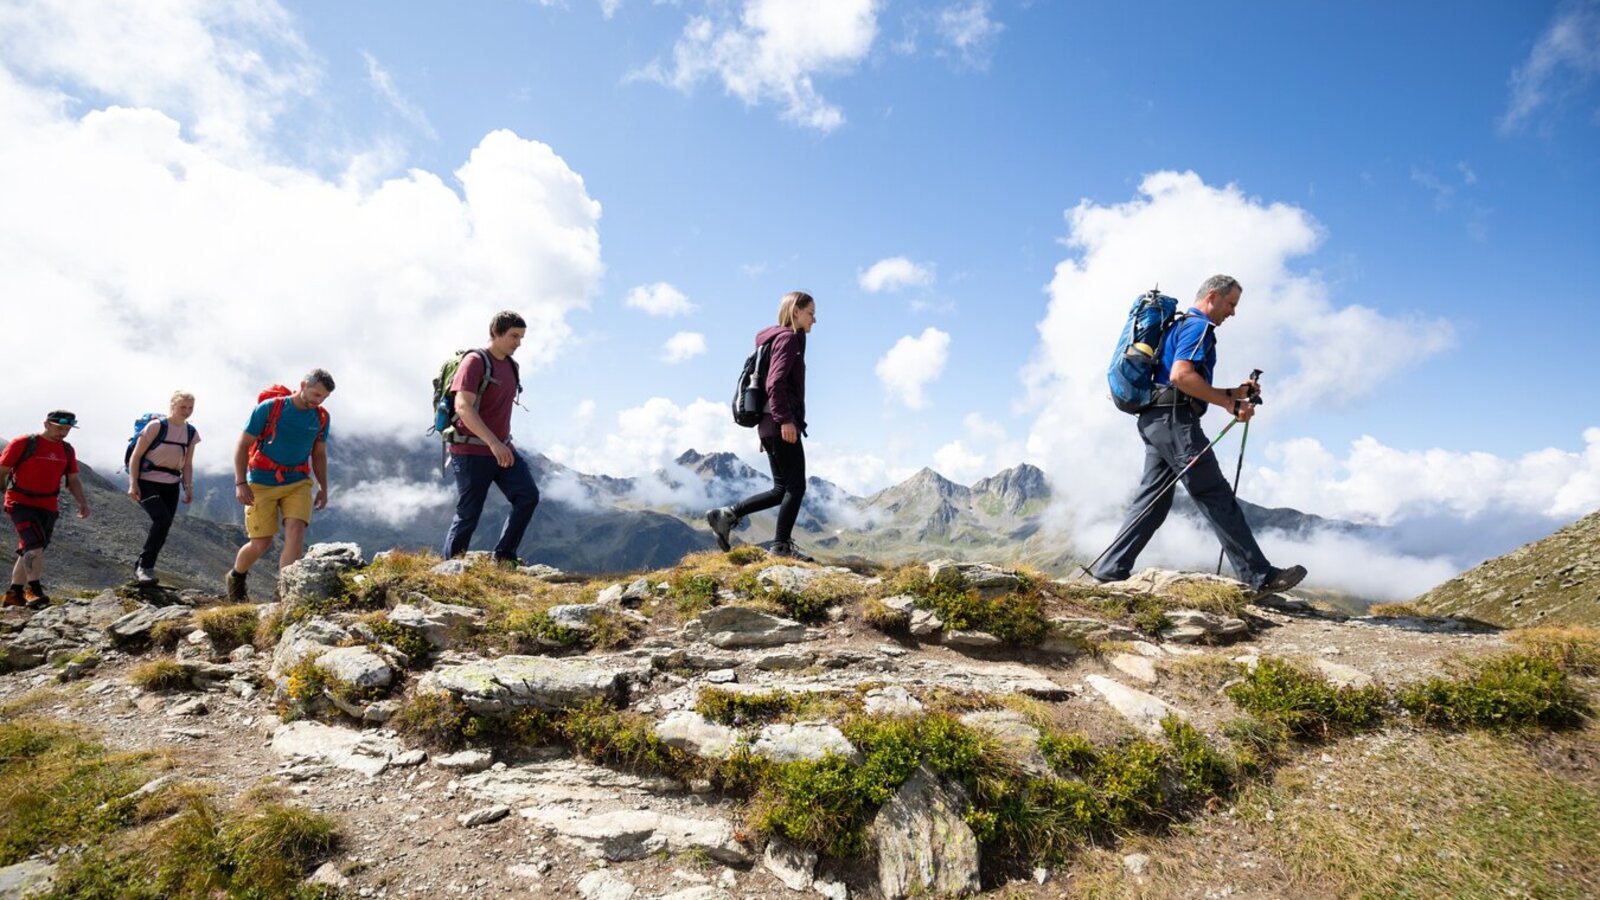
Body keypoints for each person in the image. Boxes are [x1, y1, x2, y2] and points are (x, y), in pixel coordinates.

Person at [1092, 275, 1306, 597]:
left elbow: (1181, 381)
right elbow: (1181, 376)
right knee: (1213, 492)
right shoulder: (1199, 326)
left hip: (1156, 419)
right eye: (1231, 304)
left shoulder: (1179, 326)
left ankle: (1110, 570)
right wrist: (1230, 405)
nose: (1232, 312)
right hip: (1175, 422)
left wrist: (1235, 393)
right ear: (1212, 297)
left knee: (1153, 500)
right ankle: (1259, 576)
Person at [706, 291, 817, 560]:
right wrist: (785, 420)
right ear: (796, 312)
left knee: (781, 490)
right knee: (795, 488)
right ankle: (780, 547)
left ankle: (728, 514)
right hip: (781, 424)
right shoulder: (787, 339)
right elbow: (775, 383)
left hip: (769, 425)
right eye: (810, 313)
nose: (814, 320)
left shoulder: (776, 340)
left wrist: (771, 425)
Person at [441, 311, 540, 565]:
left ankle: (504, 557)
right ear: (496, 332)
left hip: (502, 448)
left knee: (527, 496)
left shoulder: (511, 366)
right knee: (469, 513)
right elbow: (463, 407)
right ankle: (451, 568)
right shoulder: (474, 362)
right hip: (470, 450)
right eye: (514, 336)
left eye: (521, 337)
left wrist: (501, 443)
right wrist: (494, 443)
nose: (518, 343)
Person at [225, 370, 334, 601]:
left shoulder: (322, 417)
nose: (319, 401)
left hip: (297, 481)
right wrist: (240, 482)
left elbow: (319, 454)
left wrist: (323, 487)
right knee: (261, 543)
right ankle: (236, 577)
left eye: (324, 397)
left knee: (296, 530)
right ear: (303, 385)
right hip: (261, 482)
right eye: (316, 394)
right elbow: (243, 445)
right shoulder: (270, 408)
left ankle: (285, 593)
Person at [0, 411, 90, 607]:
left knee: (32, 547)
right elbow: (3, 470)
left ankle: (14, 594)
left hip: (48, 505)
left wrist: (82, 502)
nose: (63, 432)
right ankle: (33, 590)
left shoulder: (66, 450)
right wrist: (4, 493)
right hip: (20, 502)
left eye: (67, 429)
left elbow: (73, 479)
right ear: (46, 424)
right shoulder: (23, 443)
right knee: (34, 543)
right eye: (59, 428)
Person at [126, 392, 200, 584]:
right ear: (172, 406)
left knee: (164, 525)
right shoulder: (156, 426)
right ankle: (144, 567)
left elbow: (187, 464)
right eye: (183, 407)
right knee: (162, 520)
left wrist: (188, 487)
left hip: (172, 484)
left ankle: (144, 566)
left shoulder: (191, 432)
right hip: (147, 481)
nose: (187, 411)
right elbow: (136, 456)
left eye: (190, 408)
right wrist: (133, 483)